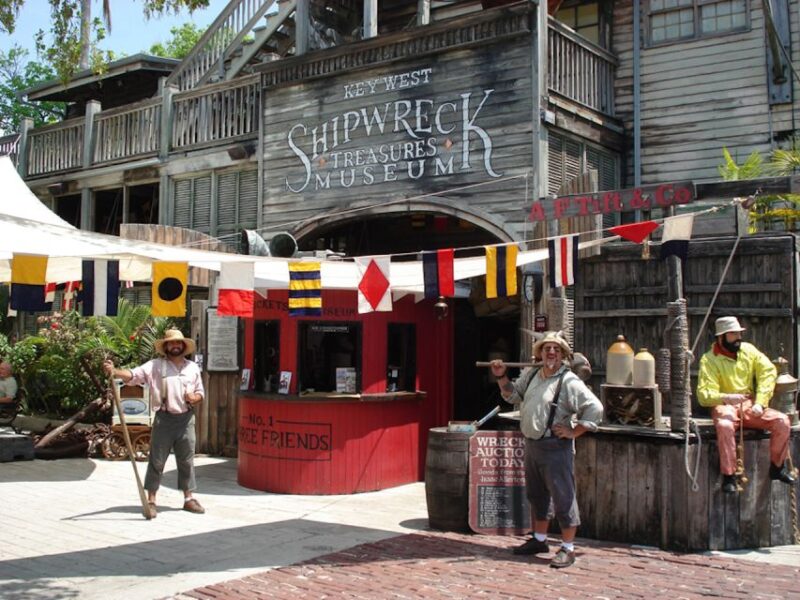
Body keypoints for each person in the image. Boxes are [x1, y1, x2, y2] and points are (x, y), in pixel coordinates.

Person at [490, 331, 603, 569]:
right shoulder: (532, 375)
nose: (551, 352)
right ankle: (539, 540)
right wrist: (501, 376)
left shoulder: (569, 381)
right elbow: (512, 396)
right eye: (547, 348)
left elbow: (595, 407)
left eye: (556, 349)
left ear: (562, 355)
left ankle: (568, 548)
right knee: (537, 495)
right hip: (532, 445)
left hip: (555, 447)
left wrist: (574, 431)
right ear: (539, 353)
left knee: (563, 497)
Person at [103, 329, 205, 518]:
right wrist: (115, 371)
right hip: (164, 419)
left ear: (183, 346)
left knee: (187, 460)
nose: (175, 346)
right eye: (171, 343)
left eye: (178, 343)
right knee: (157, 461)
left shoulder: (192, 367)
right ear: (166, 347)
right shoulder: (155, 366)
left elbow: (200, 393)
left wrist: (195, 397)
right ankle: (151, 501)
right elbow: (133, 376)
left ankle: (188, 499)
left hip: (186, 419)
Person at [696, 316, 795, 494]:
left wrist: (761, 402)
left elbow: (768, 371)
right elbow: (704, 395)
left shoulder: (749, 350)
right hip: (724, 405)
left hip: (749, 404)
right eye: (733, 334)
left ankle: (777, 468)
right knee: (725, 425)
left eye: (739, 333)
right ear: (721, 337)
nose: (738, 337)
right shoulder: (709, 359)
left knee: (782, 421)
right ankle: (729, 476)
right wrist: (727, 397)